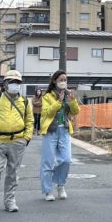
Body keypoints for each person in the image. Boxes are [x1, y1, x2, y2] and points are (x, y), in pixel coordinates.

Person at [0, 69, 34, 213]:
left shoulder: (25, 101)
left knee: (12, 172)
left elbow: (30, 120)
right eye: (12, 82)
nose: (15, 85)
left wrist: (27, 137)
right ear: (5, 84)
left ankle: (10, 201)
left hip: (18, 141)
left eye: (17, 82)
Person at [40, 70, 80, 201]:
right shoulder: (47, 97)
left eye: (65, 80)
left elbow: (76, 111)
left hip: (64, 131)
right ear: (54, 81)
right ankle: (48, 191)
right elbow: (47, 113)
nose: (63, 82)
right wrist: (58, 101)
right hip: (51, 131)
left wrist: (72, 100)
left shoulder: (69, 94)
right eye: (61, 80)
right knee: (48, 162)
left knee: (66, 160)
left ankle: (60, 184)